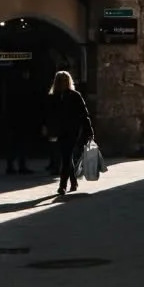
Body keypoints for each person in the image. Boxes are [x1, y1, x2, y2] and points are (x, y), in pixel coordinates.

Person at [47, 69, 94, 198]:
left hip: (73, 130)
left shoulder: (75, 96)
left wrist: (89, 130)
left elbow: (84, 114)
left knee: (66, 156)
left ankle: (62, 185)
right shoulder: (53, 97)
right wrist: (48, 127)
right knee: (66, 156)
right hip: (60, 130)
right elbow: (49, 115)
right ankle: (73, 182)